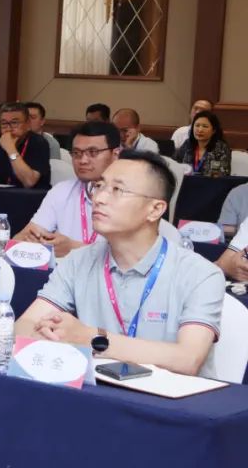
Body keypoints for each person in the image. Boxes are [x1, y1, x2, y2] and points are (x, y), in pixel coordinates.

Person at [15, 150, 224, 377]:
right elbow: (23, 326)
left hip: (173, 397)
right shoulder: (77, 261)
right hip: (98, 392)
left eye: (118, 190)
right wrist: (47, 332)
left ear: (155, 209)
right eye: (99, 186)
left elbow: (188, 359)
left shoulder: (201, 274)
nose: (99, 198)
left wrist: (92, 338)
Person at [14, 121, 119, 256]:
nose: (83, 160)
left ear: (115, 154)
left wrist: (74, 249)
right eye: (77, 153)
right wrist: (31, 243)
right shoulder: (61, 191)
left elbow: (132, 258)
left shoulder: (131, 197)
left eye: (93, 152)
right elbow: (21, 239)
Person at [0, 102, 51, 189]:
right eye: (4, 123)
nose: (9, 128)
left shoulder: (39, 143)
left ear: (27, 124)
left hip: (30, 195)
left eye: (14, 123)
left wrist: (10, 149)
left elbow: (29, 182)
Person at [173, 110, 231, 178]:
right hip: (187, 183)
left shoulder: (221, 147)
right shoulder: (188, 144)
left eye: (205, 126)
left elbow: (224, 173)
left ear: (214, 130)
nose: (200, 130)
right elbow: (174, 165)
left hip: (210, 183)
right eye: (197, 125)